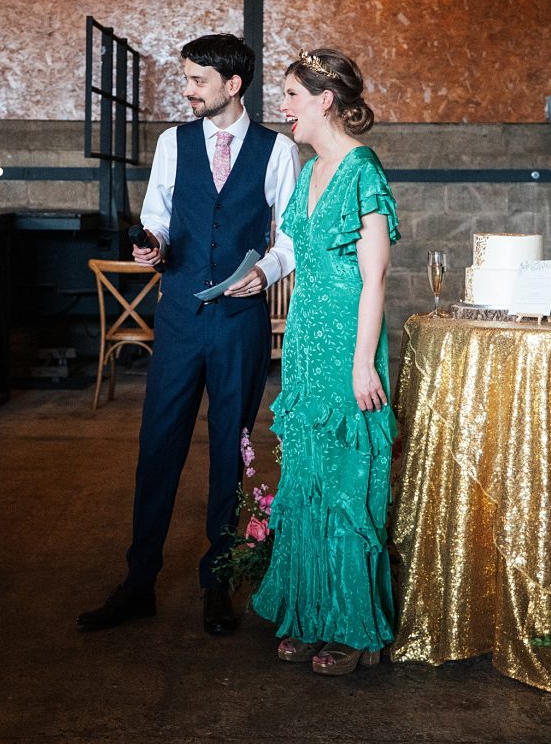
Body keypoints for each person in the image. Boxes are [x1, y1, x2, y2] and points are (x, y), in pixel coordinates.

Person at [77, 33, 299, 635]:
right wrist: (153, 246)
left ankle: (217, 582)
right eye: (188, 78)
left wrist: (266, 270)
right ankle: (139, 582)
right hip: (177, 317)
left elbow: (292, 233)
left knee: (231, 449)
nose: (187, 90)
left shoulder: (277, 151)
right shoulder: (173, 143)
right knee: (159, 447)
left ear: (233, 85)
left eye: (197, 80)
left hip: (239, 323)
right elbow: (156, 212)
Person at [252, 47, 399, 676]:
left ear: (324, 102)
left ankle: (356, 628)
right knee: (307, 480)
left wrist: (364, 363)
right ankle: (312, 614)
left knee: (346, 484)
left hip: (348, 342)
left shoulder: (363, 170)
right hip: (308, 341)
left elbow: (377, 276)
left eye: (290, 95)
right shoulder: (307, 169)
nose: (282, 107)